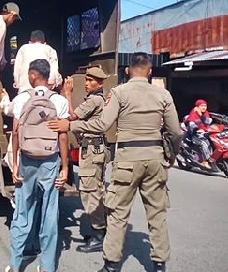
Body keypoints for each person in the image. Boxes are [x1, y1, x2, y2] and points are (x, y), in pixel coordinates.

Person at [47, 53, 182, 272]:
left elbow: (102, 124)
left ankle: (111, 266)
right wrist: (171, 154)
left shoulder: (119, 93)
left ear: (128, 71)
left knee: (118, 214)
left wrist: (70, 126)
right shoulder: (163, 94)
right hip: (155, 158)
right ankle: (158, 265)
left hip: (128, 160)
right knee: (157, 214)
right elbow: (175, 132)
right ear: (150, 72)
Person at [6, 59, 69, 272]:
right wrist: (65, 167)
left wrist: (15, 165)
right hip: (50, 160)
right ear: (48, 75)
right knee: (50, 212)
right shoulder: (60, 101)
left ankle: (15, 265)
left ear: (33, 75)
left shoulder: (22, 98)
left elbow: (15, 133)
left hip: (27, 160)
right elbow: (63, 136)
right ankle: (47, 266)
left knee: (23, 211)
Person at [61, 66, 110, 253]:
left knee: (91, 192)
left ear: (100, 83)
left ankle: (98, 236)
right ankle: (100, 232)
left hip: (92, 150)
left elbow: (72, 117)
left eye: (91, 81)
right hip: (94, 148)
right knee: (95, 189)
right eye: (86, 80)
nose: (87, 84)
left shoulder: (94, 100)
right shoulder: (98, 99)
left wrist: (67, 94)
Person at [185, 99, 213, 169]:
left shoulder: (205, 113)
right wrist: (197, 130)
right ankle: (205, 161)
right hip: (194, 134)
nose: (204, 107)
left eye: (205, 106)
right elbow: (191, 124)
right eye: (202, 106)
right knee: (204, 144)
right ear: (197, 107)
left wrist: (200, 115)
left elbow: (208, 122)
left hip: (204, 133)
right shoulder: (193, 113)